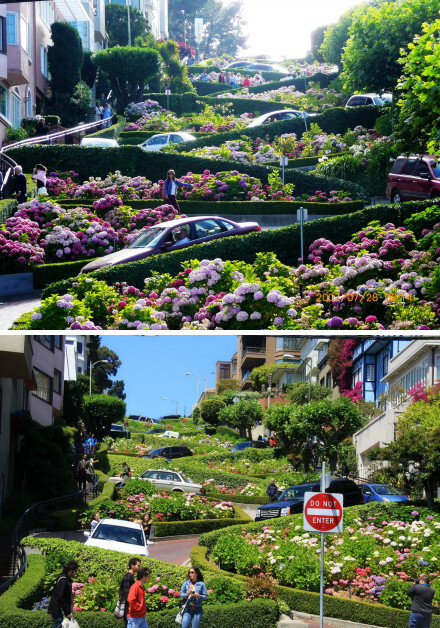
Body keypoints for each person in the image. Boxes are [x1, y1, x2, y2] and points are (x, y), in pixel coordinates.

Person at [47, 560, 78, 628]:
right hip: (58, 610)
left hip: (59, 609)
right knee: (58, 625)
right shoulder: (63, 580)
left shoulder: (66, 579)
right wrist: (67, 612)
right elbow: (60, 597)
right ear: (70, 570)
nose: (76, 573)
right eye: (75, 571)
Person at [119, 557, 142, 628]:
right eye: (138, 566)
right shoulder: (127, 577)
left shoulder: (131, 576)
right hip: (128, 607)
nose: (139, 568)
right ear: (132, 566)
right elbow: (127, 594)